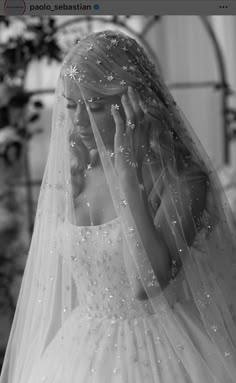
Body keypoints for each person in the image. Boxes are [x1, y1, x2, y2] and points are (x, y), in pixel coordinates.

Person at [1, 29, 236, 383]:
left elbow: (146, 285)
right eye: (70, 105)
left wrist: (127, 174)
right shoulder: (77, 173)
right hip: (78, 351)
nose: (78, 122)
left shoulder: (183, 180)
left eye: (94, 107)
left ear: (135, 103)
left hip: (165, 355)